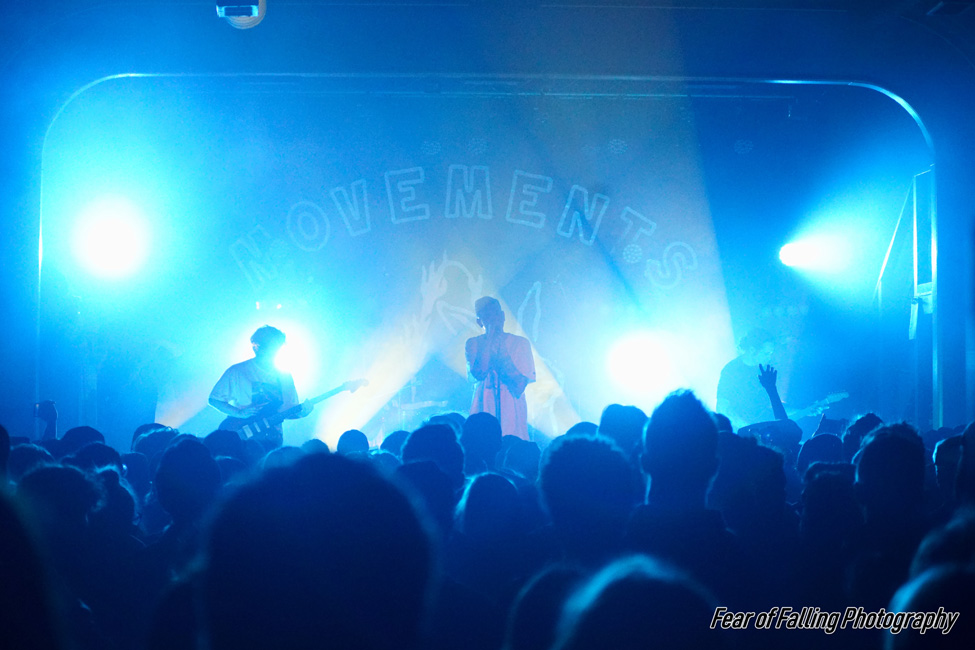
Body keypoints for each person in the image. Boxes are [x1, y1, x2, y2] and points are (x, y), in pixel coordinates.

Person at [208, 325, 311, 450]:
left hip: (272, 439)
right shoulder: (237, 371)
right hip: (242, 436)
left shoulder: (285, 376)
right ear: (256, 346)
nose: (272, 350)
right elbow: (214, 400)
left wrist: (303, 413)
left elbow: (287, 412)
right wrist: (238, 413)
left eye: (276, 346)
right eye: (267, 346)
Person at [465, 297, 536, 441]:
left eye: (496, 314)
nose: (493, 319)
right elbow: (479, 373)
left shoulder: (520, 343)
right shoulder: (473, 343)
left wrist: (501, 347)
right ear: (479, 321)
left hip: (511, 410)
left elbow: (519, 385)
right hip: (483, 408)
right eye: (487, 316)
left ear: (503, 316)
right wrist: (490, 340)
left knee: (511, 445)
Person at [716, 329, 776, 430]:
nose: (769, 358)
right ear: (752, 349)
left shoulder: (765, 369)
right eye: (766, 353)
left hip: (762, 429)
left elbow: (769, 406)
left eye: (771, 353)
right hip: (740, 432)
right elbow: (722, 407)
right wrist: (749, 429)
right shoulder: (731, 370)